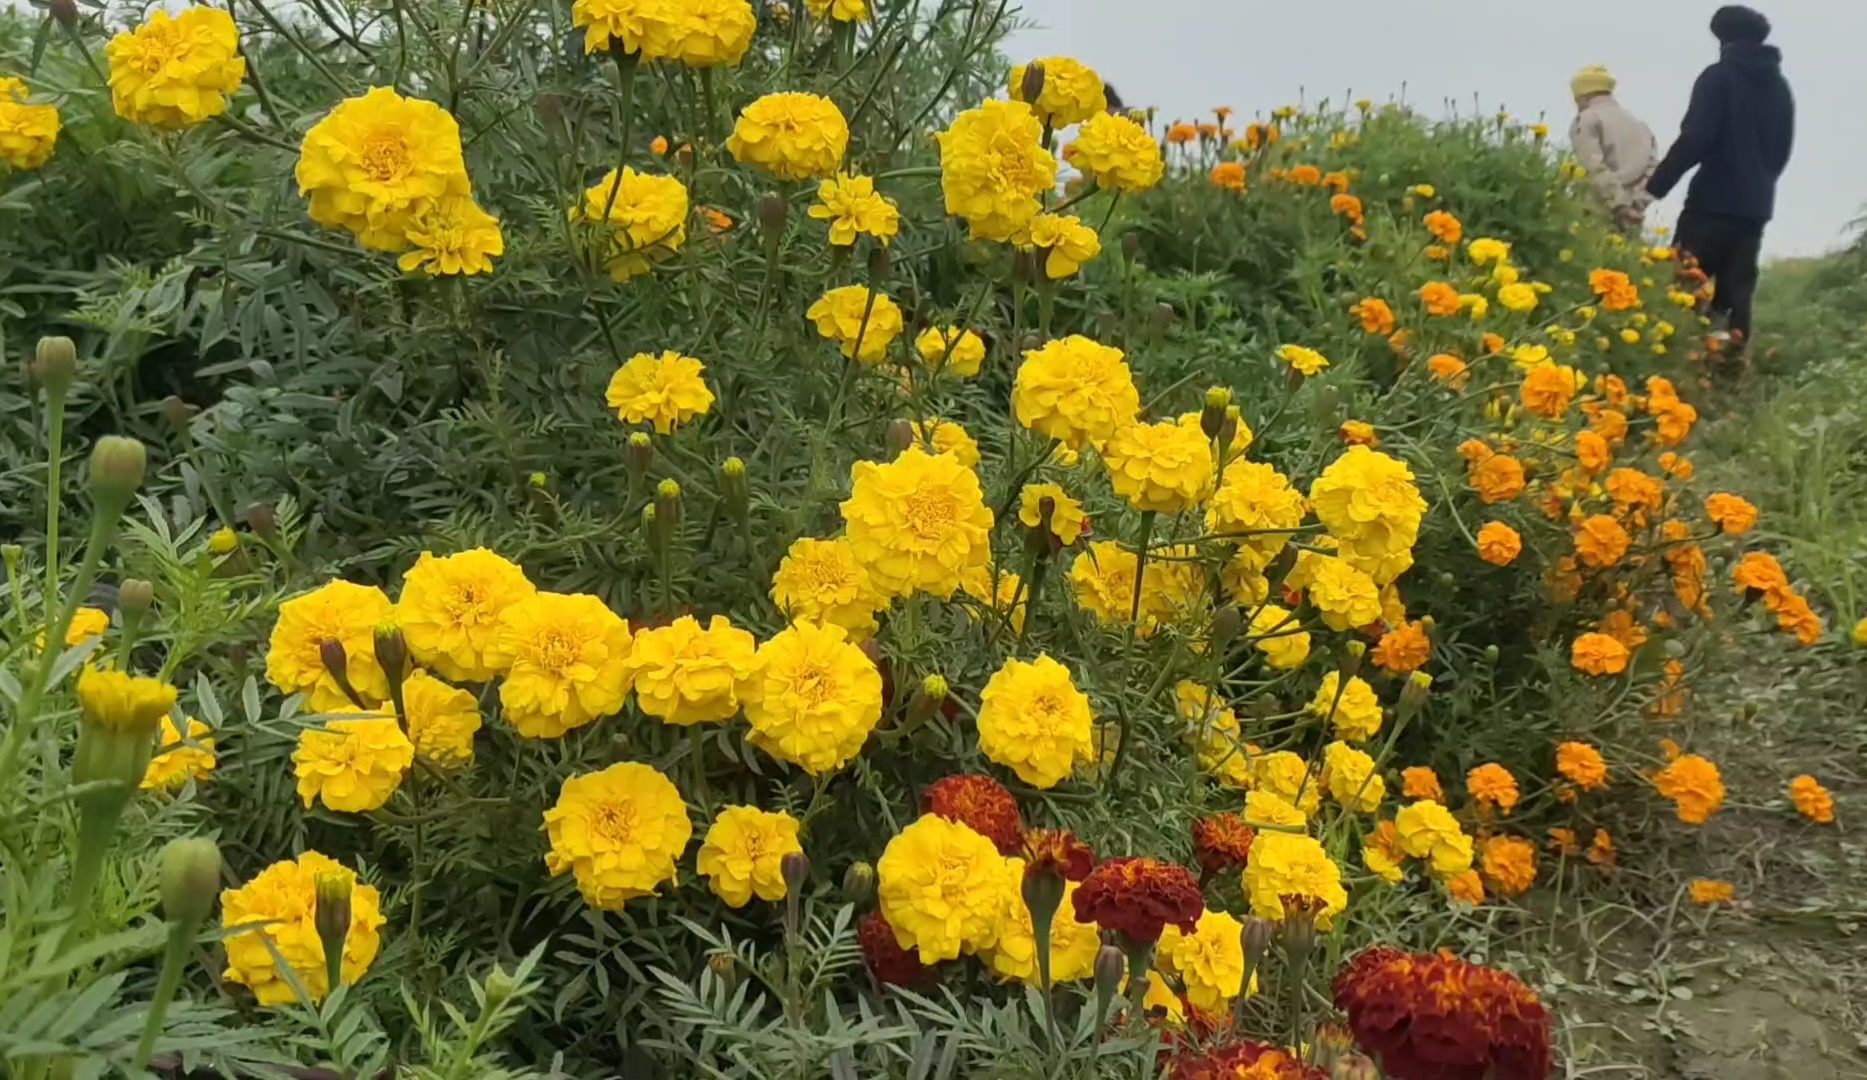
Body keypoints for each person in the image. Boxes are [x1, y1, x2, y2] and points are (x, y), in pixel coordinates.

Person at [1646, 4, 1795, 350]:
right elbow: (1782, 148)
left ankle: (1676, 361)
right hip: (1755, 206)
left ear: (1721, 38)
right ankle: (1727, 368)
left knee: (1684, 286)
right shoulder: (1780, 87)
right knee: (1735, 295)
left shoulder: (1718, 76)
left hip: (1711, 203)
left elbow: (1697, 138)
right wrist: (1760, 182)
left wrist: (1656, 186)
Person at [1568, 66, 1658, 233]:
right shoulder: (1640, 126)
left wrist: (1619, 205)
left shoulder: (1588, 118)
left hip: (1596, 214)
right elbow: (1653, 170)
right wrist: (1636, 206)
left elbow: (1592, 167)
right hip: (1634, 219)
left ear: (1583, 95)